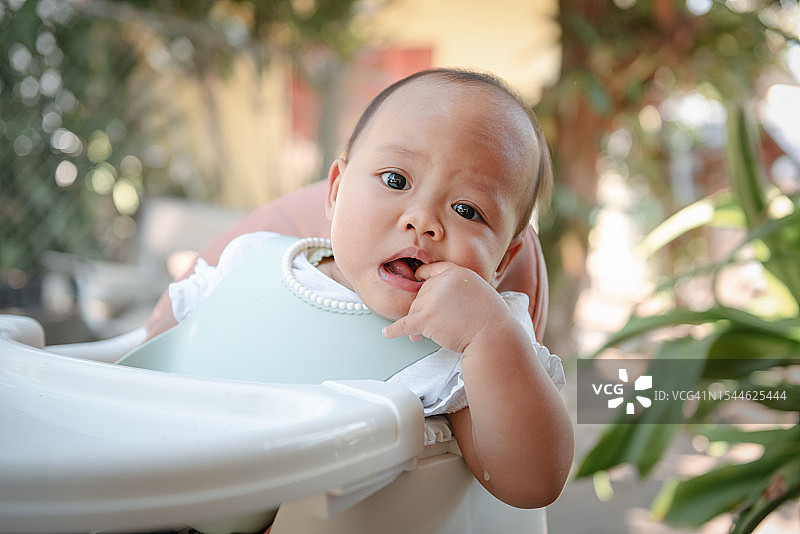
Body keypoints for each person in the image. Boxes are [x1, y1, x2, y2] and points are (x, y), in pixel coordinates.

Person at [140, 68, 573, 509]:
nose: (422, 220)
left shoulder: (460, 355)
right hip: (134, 475)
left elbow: (533, 481)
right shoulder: (250, 259)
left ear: (502, 262)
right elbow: (148, 357)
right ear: (335, 191)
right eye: (396, 180)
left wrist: (489, 335)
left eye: (466, 209)